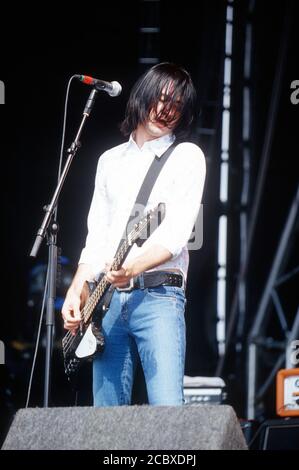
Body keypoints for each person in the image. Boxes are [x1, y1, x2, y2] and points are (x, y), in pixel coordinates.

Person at [61, 62, 206, 406]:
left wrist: (134, 268)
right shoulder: (109, 160)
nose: (165, 111)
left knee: (168, 409)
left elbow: (176, 234)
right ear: (142, 96)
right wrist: (76, 291)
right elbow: (96, 237)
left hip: (159, 298)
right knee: (105, 420)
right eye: (159, 99)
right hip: (107, 302)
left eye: (176, 106)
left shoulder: (187, 156)